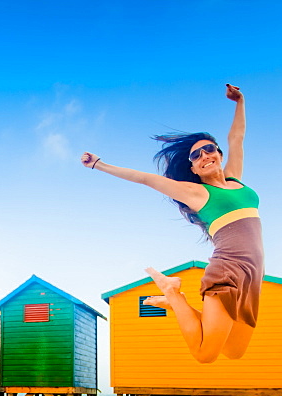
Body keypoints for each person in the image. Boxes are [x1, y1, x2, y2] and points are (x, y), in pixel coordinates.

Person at [80, 84, 262, 364]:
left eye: (208, 150)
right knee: (205, 354)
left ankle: (175, 304)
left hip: (253, 274)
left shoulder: (235, 179)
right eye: (196, 156)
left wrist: (240, 102)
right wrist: (100, 164)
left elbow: (237, 137)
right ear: (192, 168)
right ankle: (173, 294)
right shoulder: (196, 193)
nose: (204, 156)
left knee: (234, 350)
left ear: (219, 154)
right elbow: (145, 179)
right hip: (228, 269)